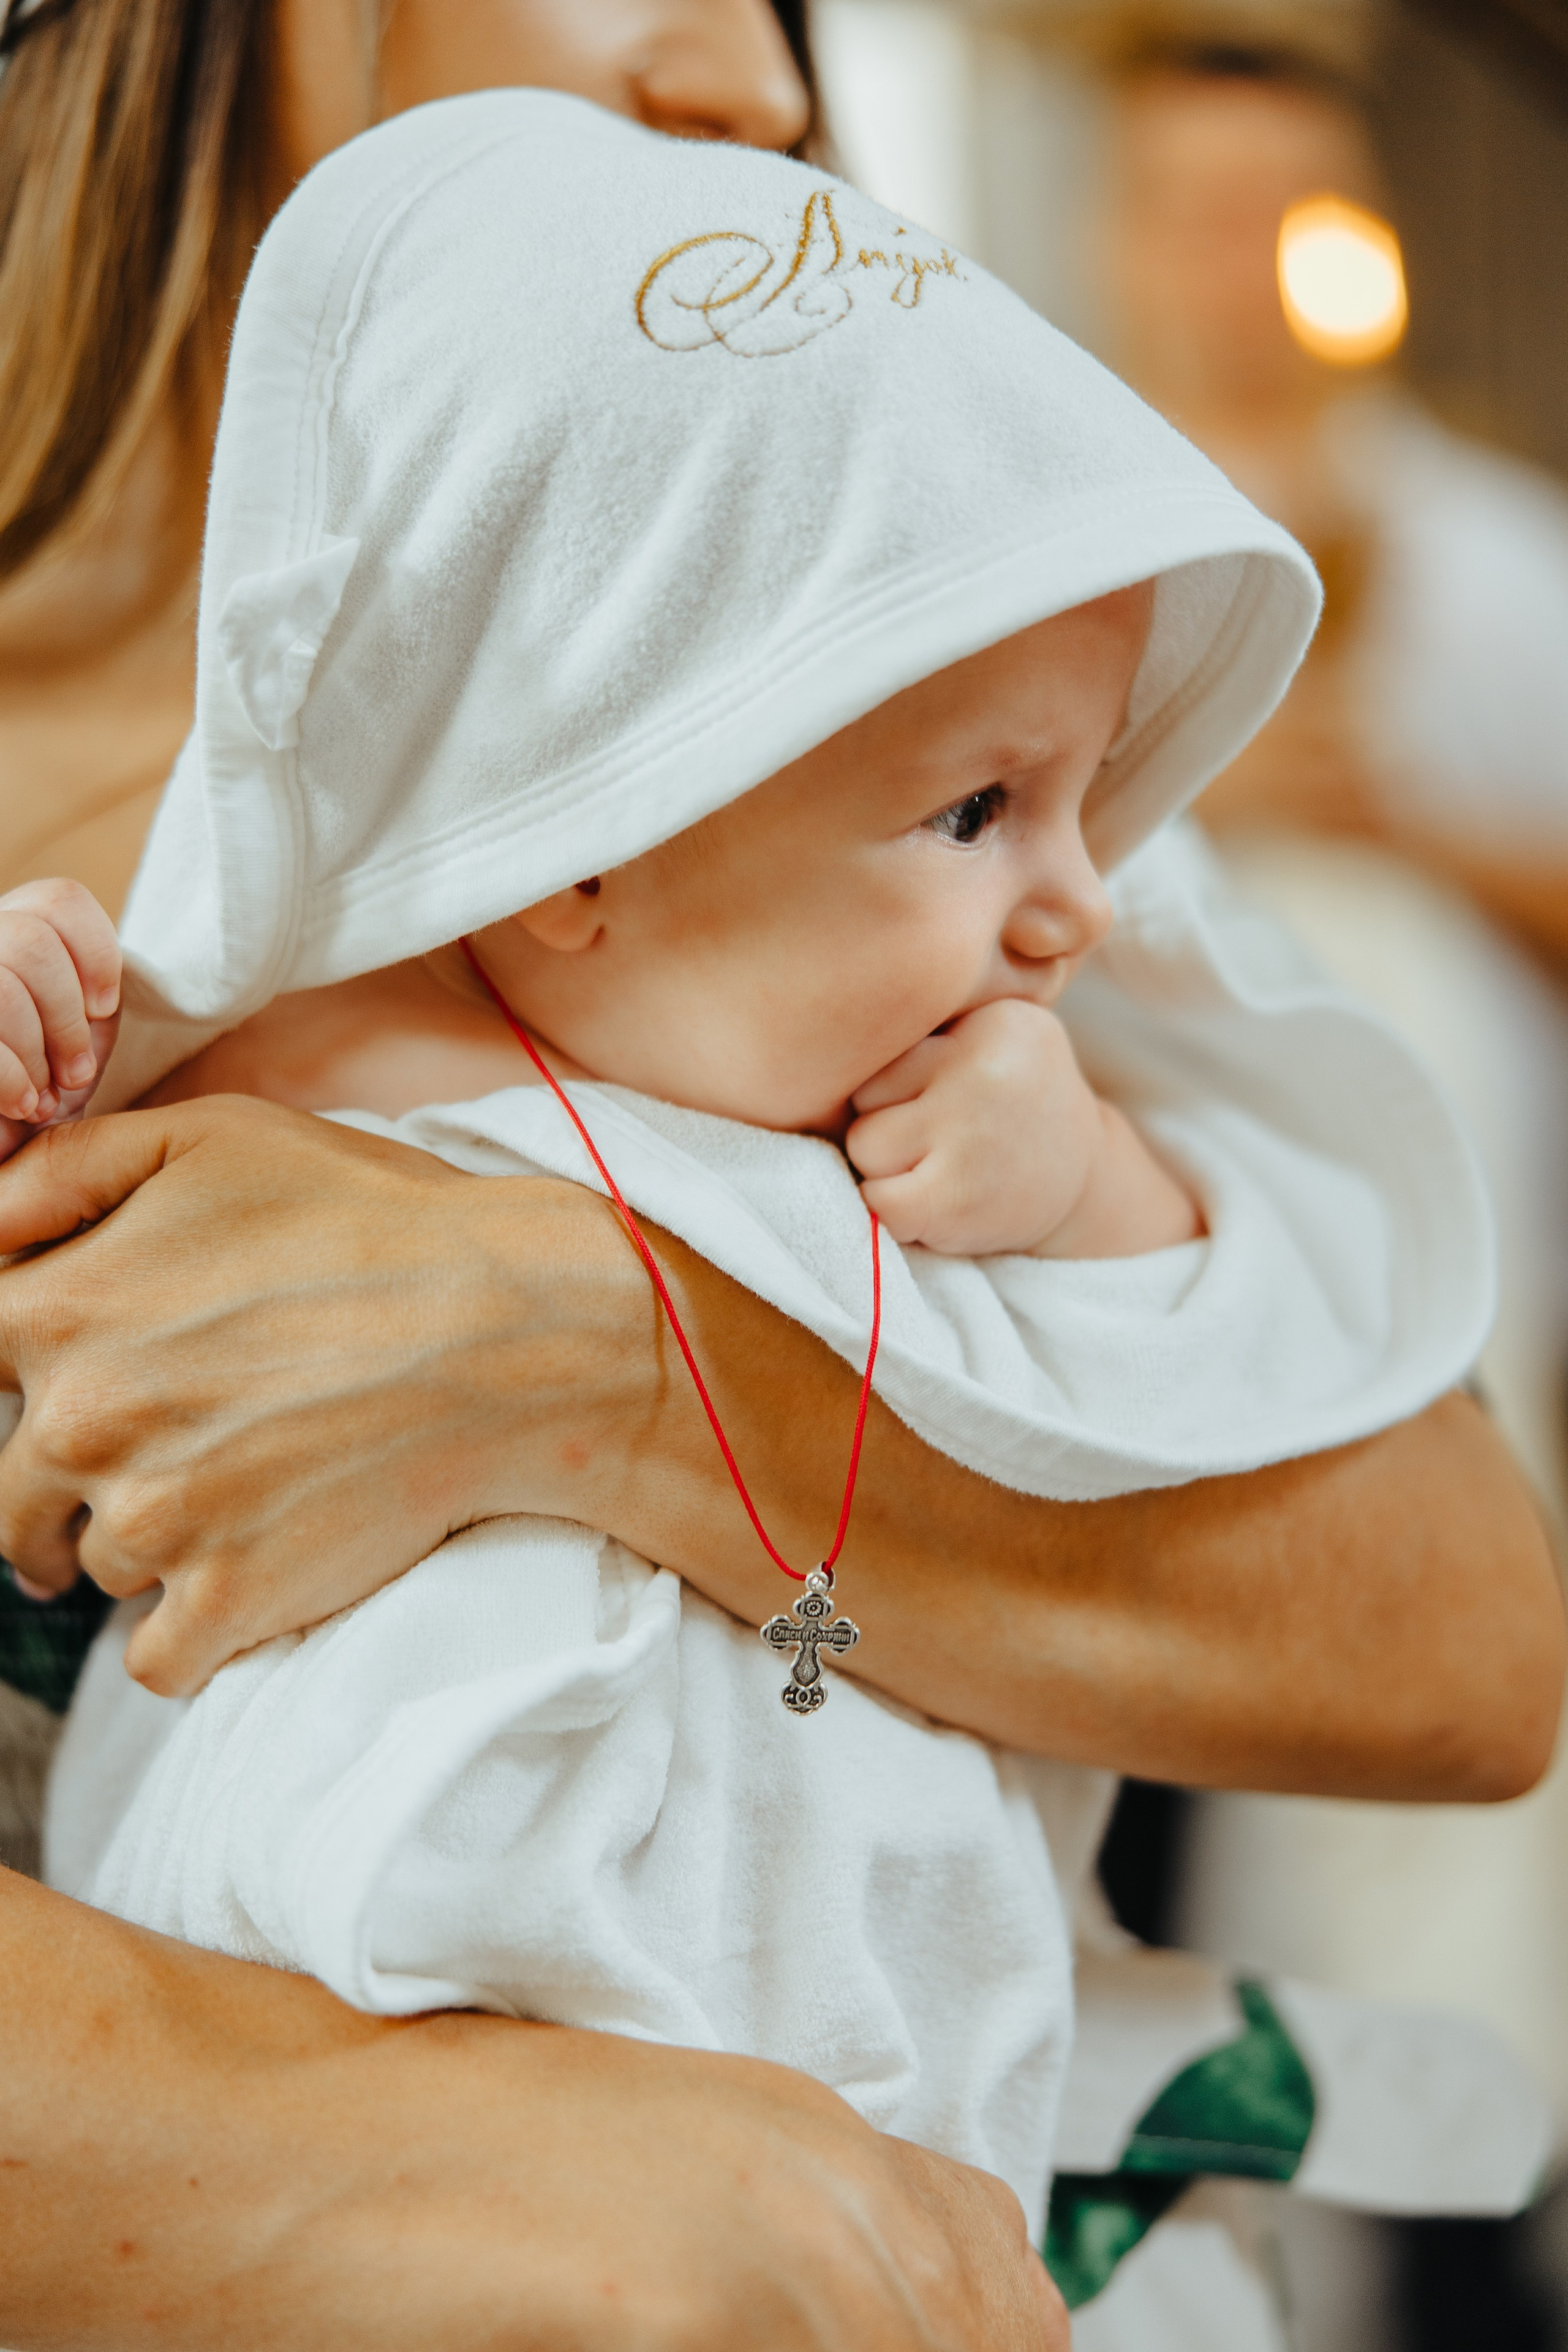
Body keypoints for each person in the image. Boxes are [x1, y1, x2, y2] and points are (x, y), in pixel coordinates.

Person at [0, 6, 1558, 2348]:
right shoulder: (146, 928)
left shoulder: (880, 718)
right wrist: (344, 2150)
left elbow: (1468, 1643)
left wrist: (602, 1360)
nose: (755, 75)